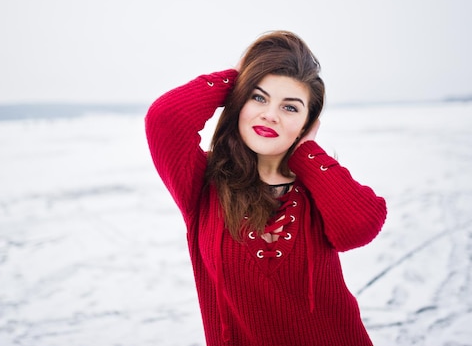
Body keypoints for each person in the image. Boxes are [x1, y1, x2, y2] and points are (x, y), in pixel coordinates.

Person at [145, 31, 386, 346]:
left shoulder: (319, 187)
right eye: (258, 97)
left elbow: (360, 227)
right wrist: (238, 76)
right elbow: (166, 118)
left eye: (290, 108)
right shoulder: (203, 183)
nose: (270, 115)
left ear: (307, 124)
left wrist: (307, 153)